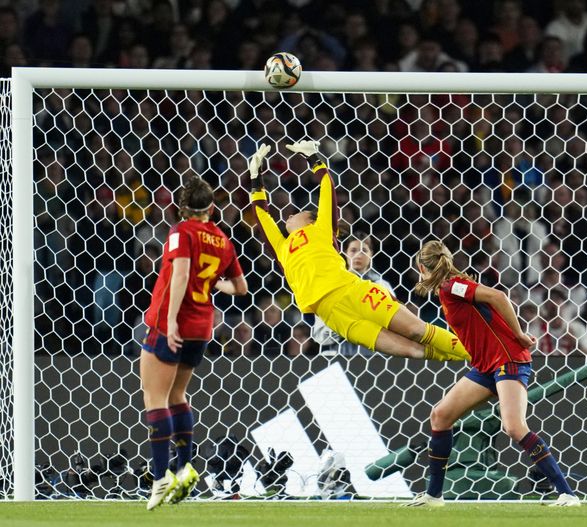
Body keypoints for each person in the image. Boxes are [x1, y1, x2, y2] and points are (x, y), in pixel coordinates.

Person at [247, 140, 470, 363]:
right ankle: (470, 361)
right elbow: (262, 216)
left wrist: (313, 158)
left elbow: (327, 188)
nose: (289, 216)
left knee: (416, 330)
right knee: (410, 350)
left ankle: (481, 353)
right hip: (333, 316)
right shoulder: (282, 247)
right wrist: (255, 178)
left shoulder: (321, 229)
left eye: (297, 213)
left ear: (311, 220)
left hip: (353, 293)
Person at [404, 240, 580, 507]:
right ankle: (434, 496)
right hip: (487, 366)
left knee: (514, 426)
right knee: (440, 415)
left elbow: (498, 296)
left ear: (420, 267)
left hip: (507, 360)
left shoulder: (454, 286)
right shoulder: (447, 289)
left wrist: (519, 334)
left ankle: (567, 493)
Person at [140, 177, 248, 510]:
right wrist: (216, 284)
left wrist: (171, 320)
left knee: (154, 396)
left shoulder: (180, 232)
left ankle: (160, 479)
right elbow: (240, 288)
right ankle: (185, 467)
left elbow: (182, 274)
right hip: (202, 327)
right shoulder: (222, 241)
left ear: (181, 208)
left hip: (171, 323)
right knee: (177, 395)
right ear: (212, 208)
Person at [311, 234, 397, 356]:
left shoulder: (382, 286)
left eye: (364, 250)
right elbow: (320, 336)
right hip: (340, 355)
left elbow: (395, 324)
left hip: (375, 356)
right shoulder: (332, 286)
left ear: (371, 254)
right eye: (353, 250)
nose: (358, 255)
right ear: (345, 253)